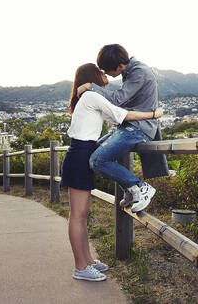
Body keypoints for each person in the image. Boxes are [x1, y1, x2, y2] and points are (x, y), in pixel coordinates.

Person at [62, 63, 163, 282]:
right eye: (100, 72)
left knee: (81, 216)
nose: (105, 74)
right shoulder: (91, 96)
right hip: (80, 155)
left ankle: (87, 261)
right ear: (93, 76)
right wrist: (153, 114)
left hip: (81, 153)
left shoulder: (88, 98)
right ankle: (80, 266)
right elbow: (122, 115)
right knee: (78, 217)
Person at [76, 44, 169, 214]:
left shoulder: (139, 72)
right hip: (128, 126)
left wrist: (91, 86)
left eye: (107, 70)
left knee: (97, 160)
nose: (106, 74)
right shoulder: (129, 71)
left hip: (138, 128)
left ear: (120, 66)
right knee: (95, 151)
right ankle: (130, 189)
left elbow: (118, 99)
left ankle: (140, 188)